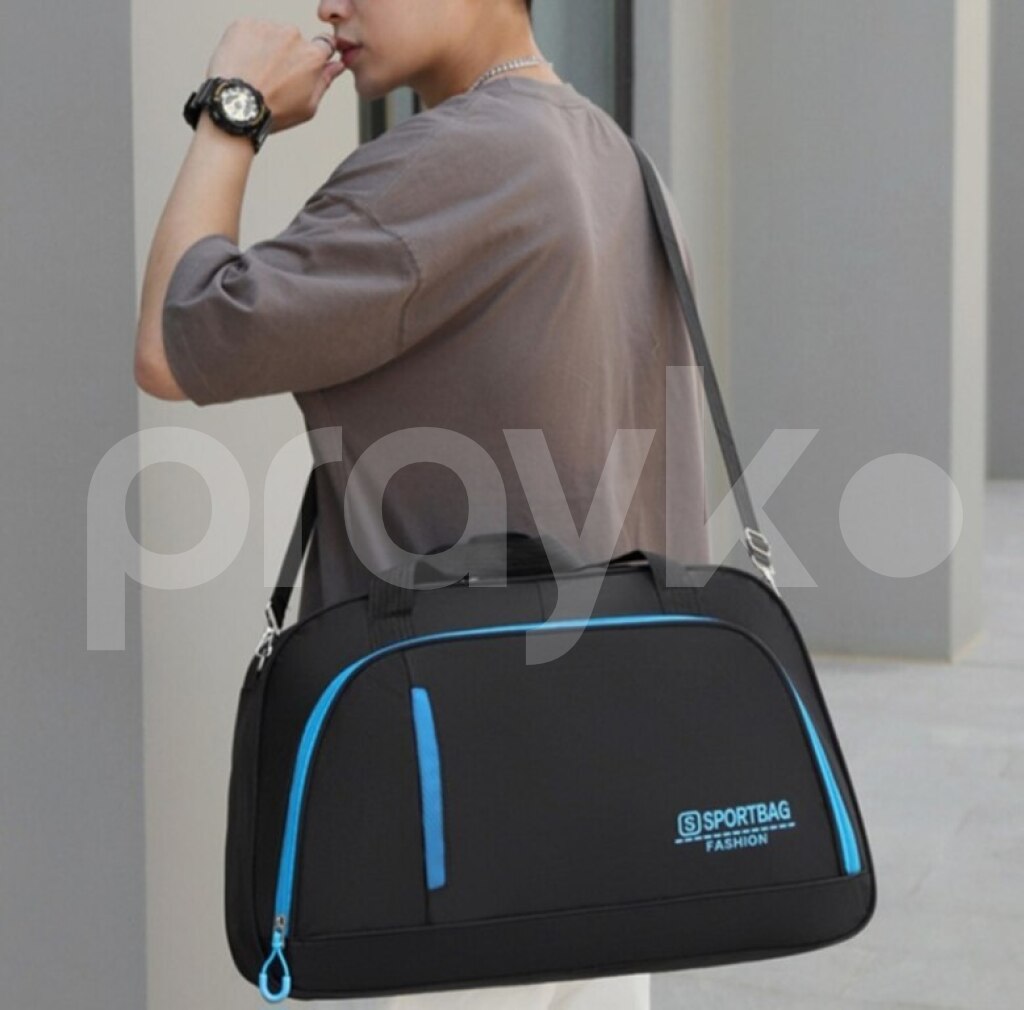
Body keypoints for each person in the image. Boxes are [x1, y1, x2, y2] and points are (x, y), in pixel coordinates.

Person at [135, 1, 709, 1007]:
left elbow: (177, 342)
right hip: (615, 805)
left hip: (453, 827)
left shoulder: (446, 166)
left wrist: (232, 112)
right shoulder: (618, 160)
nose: (329, 4)